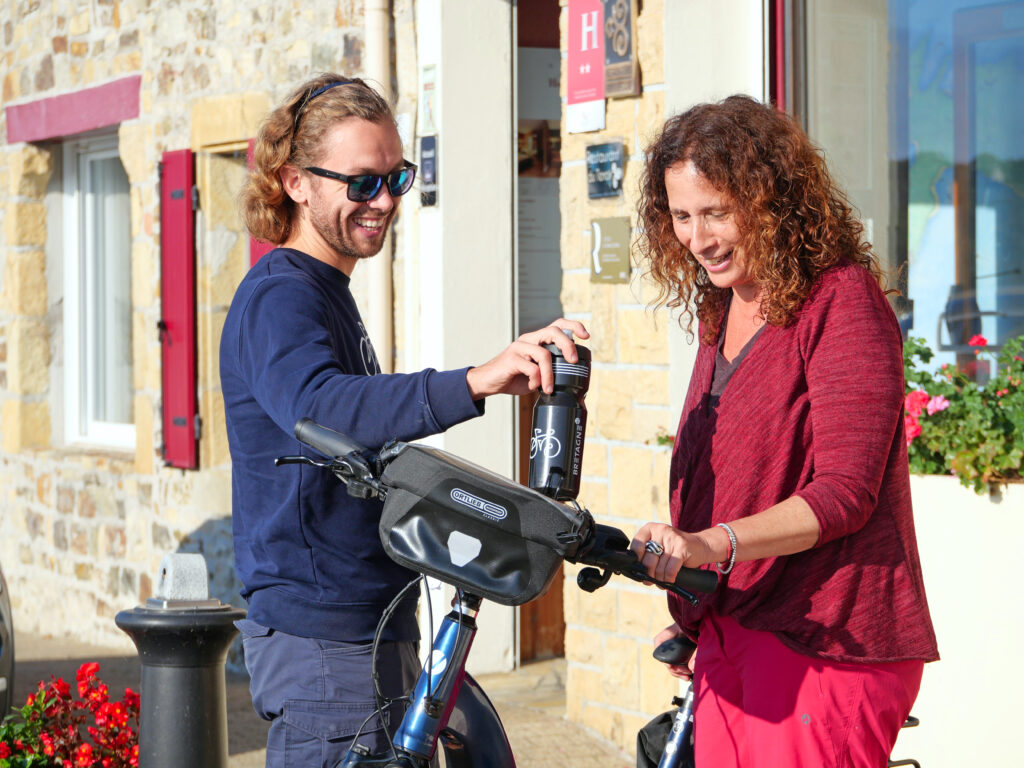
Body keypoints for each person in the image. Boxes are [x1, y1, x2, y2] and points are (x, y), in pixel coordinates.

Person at [221, 73, 588, 768]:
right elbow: (321, 408)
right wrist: (476, 381)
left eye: (397, 177)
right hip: (322, 641)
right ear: (297, 182)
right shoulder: (280, 298)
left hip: (367, 627)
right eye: (362, 182)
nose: (384, 200)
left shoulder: (325, 290)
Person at [627, 95, 938, 767]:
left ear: (773, 201)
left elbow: (845, 492)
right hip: (733, 625)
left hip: (827, 637)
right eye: (681, 216)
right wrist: (695, 607)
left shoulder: (842, 300)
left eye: (716, 212)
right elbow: (731, 478)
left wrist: (709, 545)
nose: (698, 238)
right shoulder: (722, 309)